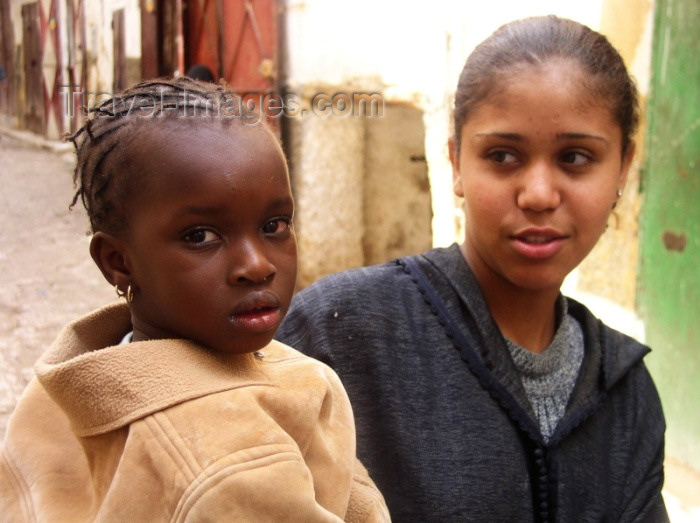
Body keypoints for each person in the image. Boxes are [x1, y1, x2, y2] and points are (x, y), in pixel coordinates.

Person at [277, 15, 668, 522]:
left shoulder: (626, 393)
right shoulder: (339, 337)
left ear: (623, 167)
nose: (539, 195)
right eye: (503, 156)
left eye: (575, 157)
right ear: (456, 163)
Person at [0, 77, 389, 522]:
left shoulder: (62, 389)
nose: (257, 265)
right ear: (118, 262)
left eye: (274, 225)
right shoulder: (234, 465)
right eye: (200, 236)